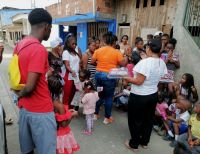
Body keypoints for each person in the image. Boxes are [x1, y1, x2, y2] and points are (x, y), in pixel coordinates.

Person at [13, 8, 57, 154]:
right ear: (46, 27)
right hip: (41, 111)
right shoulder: (39, 49)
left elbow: (17, 75)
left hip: (25, 109)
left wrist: (18, 96)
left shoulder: (19, 45)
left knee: (27, 150)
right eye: (50, 29)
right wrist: (19, 95)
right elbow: (30, 86)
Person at [125, 39, 167, 152]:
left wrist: (124, 77)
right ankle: (144, 142)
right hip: (152, 95)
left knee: (135, 120)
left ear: (149, 48)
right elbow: (158, 75)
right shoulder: (161, 62)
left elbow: (139, 81)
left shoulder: (145, 63)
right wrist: (145, 60)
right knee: (148, 119)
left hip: (140, 96)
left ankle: (134, 144)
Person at [91, 32, 128, 124]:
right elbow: (123, 64)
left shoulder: (98, 50)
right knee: (108, 97)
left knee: (99, 94)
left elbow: (92, 61)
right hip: (109, 76)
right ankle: (107, 118)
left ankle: (95, 114)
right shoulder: (116, 52)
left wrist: (100, 65)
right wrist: (126, 56)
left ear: (105, 41)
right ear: (114, 42)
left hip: (98, 75)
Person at [48, 75, 80, 154]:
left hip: (50, 132)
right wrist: (72, 115)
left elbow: (56, 115)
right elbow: (63, 124)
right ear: (61, 89)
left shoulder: (48, 100)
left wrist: (67, 112)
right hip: (60, 135)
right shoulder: (59, 105)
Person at [62, 34, 80, 106]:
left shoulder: (75, 52)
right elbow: (67, 65)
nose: (74, 45)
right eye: (73, 44)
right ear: (68, 43)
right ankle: (65, 110)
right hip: (68, 76)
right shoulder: (66, 52)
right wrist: (72, 71)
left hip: (76, 76)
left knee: (73, 93)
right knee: (67, 95)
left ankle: (69, 108)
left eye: (75, 43)